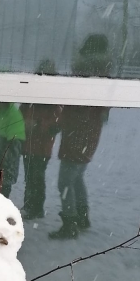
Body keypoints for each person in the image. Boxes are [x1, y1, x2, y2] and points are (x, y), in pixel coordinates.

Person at [49, 36, 112, 240]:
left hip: (77, 135)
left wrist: (60, 123)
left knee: (65, 182)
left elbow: (75, 108)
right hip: (89, 135)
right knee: (76, 178)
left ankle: (70, 223)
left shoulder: (86, 76)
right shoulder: (103, 77)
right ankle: (82, 217)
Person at [19, 59, 62, 219]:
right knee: (30, 177)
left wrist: (37, 125)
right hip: (29, 145)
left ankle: (35, 207)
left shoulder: (53, 100)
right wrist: (24, 124)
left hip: (42, 147)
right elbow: (22, 112)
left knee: (36, 177)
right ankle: (31, 205)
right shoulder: (32, 95)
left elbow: (56, 124)